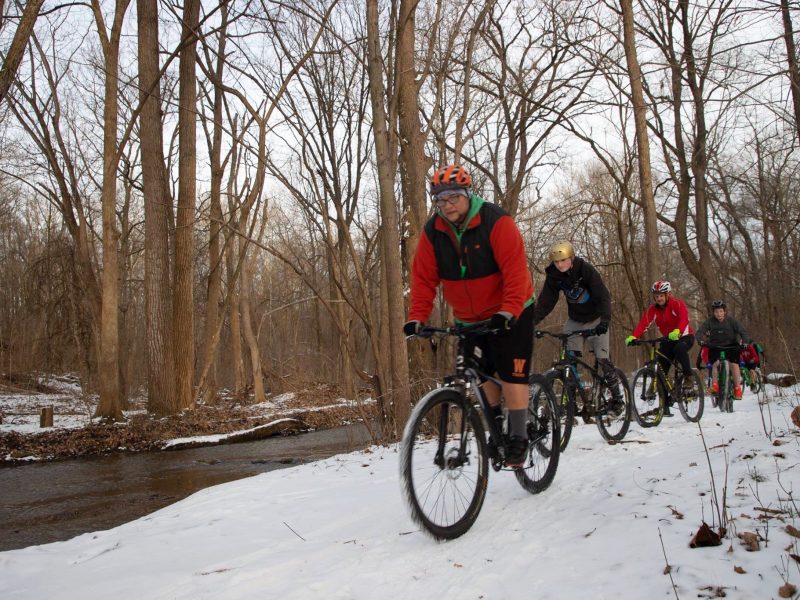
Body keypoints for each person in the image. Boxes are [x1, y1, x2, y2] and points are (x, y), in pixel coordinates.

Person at [403, 164, 535, 468]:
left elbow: (515, 272)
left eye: (453, 198)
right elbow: (423, 279)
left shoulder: (496, 221)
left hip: (512, 310)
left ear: (467, 194)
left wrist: (509, 310)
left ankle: (518, 437)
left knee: (510, 373)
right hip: (468, 318)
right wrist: (417, 317)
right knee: (481, 370)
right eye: (440, 199)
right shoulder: (433, 233)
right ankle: (495, 423)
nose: (447, 205)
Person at [531, 240, 625, 407]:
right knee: (569, 358)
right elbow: (546, 302)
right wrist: (531, 322)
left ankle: (617, 397)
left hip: (596, 318)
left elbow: (602, 296)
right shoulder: (554, 276)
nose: (559, 265)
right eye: (556, 262)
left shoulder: (585, 270)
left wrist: (605, 320)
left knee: (602, 358)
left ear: (572, 258)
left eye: (563, 260)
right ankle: (571, 401)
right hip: (575, 320)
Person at [625, 281, 695, 416]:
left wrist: (678, 331)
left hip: (685, 336)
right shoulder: (653, 310)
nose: (659, 299)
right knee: (662, 366)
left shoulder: (677, 304)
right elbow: (644, 323)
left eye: (661, 296)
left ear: (668, 295)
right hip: (668, 339)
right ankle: (665, 404)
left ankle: (688, 376)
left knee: (679, 350)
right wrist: (634, 336)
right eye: (656, 296)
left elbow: (684, 319)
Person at [695, 300, 752, 400]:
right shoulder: (710, 321)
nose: (719, 314)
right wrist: (700, 340)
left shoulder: (732, 321)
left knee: (734, 365)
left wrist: (745, 342)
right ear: (713, 312)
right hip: (715, 346)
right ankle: (715, 385)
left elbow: (743, 332)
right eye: (716, 312)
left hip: (731, 346)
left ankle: (737, 388)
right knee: (715, 364)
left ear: (724, 311)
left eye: (721, 311)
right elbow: (700, 331)